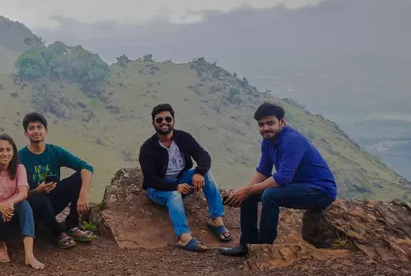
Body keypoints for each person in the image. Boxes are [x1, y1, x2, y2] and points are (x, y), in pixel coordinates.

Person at [219, 102, 337, 257]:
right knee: (249, 195)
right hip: (299, 186)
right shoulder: (268, 141)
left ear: (282, 122)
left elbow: (283, 178)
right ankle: (247, 245)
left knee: (270, 195)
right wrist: (244, 192)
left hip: (320, 191)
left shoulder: (291, 140)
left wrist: (247, 190)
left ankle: (264, 248)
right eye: (261, 125)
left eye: (270, 123)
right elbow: (263, 171)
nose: (265, 128)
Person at [139, 103, 230, 252]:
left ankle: (217, 221)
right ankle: (183, 237)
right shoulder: (148, 148)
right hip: (158, 189)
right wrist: (175, 187)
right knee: (174, 195)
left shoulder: (183, 138)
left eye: (168, 119)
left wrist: (199, 172)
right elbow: (150, 180)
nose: (164, 122)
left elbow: (203, 156)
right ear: (153, 123)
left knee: (207, 173)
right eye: (159, 120)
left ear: (173, 120)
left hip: (181, 179)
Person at [18, 112, 98, 250]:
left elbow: (86, 167)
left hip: (54, 201)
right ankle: (57, 232)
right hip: (33, 205)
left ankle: (72, 225)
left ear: (46, 131)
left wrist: (83, 192)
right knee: (39, 197)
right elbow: (16, 191)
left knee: (79, 177)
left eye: (39, 127)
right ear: (26, 133)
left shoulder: (55, 151)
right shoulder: (20, 157)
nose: (36, 131)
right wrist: (38, 190)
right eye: (31, 128)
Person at [0, 134, 45, 270]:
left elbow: (23, 193)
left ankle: (29, 255)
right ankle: (1, 245)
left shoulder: (19, 169)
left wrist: (9, 204)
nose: (5, 154)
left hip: (10, 208)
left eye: (8, 149)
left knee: (25, 205)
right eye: (0, 150)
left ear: (13, 152)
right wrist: (1, 207)